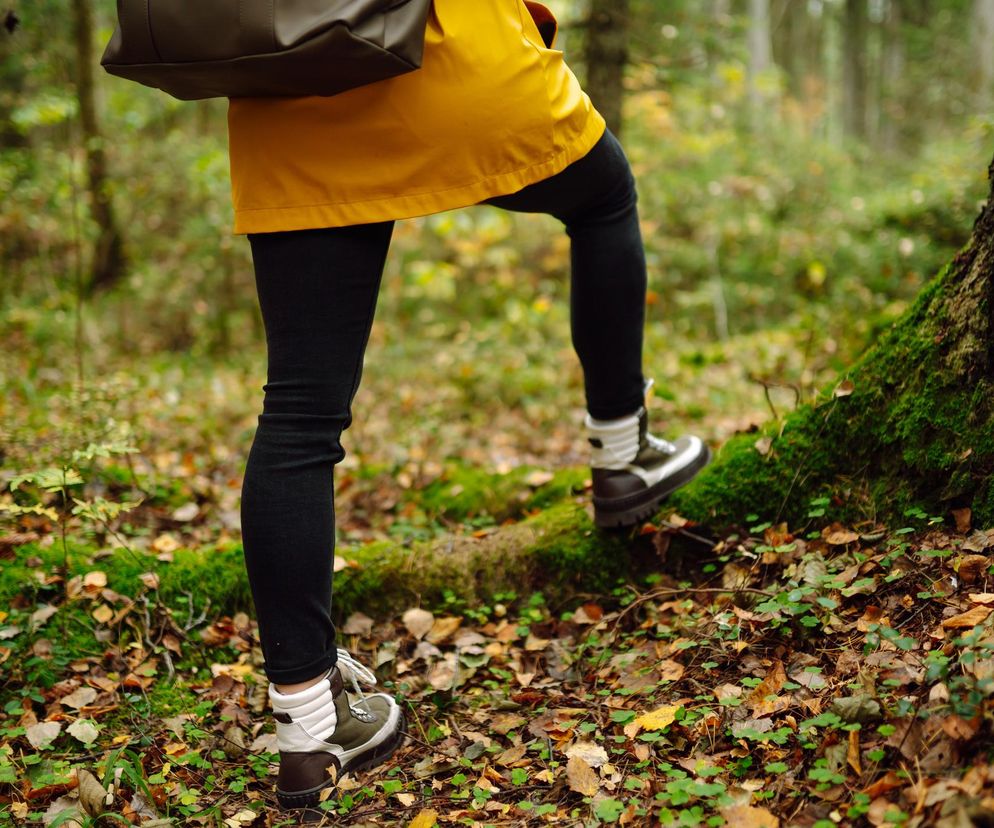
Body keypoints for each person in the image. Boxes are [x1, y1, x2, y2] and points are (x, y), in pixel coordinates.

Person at [226, 0, 711, 812]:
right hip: (441, 56)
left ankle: (307, 725)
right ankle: (622, 453)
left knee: (300, 410)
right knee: (603, 198)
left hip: (291, 87)